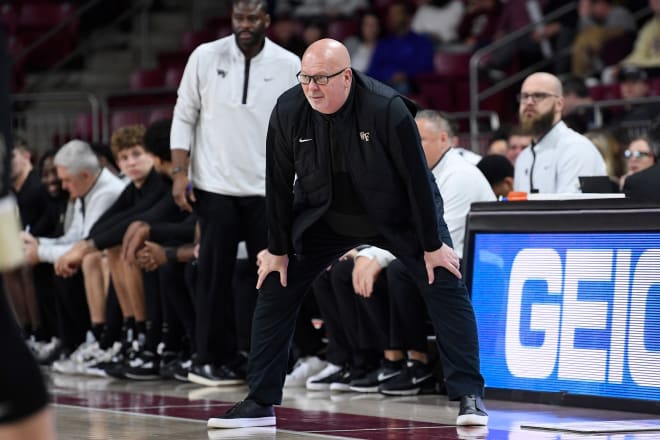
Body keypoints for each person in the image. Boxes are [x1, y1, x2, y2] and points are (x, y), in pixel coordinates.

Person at [206, 38, 488, 430]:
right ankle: (260, 401)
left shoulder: (386, 108)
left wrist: (431, 244)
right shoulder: (289, 108)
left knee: (444, 280)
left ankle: (469, 396)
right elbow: (277, 183)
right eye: (306, 78)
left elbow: (418, 182)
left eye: (321, 78)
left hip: (394, 214)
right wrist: (277, 248)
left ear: (346, 76)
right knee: (275, 284)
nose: (312, 87)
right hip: (322, 216)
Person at [170, 0, 300, 387]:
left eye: (252, 18)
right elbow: (183, 113)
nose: (244, 25)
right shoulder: (205, 56)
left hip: (268, 190)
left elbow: (300, 127)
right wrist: (180, 173)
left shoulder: (288, 64)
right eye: (238, 18)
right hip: (214, 187)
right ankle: (211, 359)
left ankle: (279, 357)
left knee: (276, 276)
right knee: (212, 276)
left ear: (266, 21)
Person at [513, 72, 607, 193]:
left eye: (539, 95)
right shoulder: (523, 157)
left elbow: (570, 209)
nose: (529, 102)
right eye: (524, 96)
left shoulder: (576, 148)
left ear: (559, 104)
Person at [623, 118, 660, 202]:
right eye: (629, 154)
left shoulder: (634, 183)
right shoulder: (626, 182)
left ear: (655, 156)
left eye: (640, 154)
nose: (633, 159)